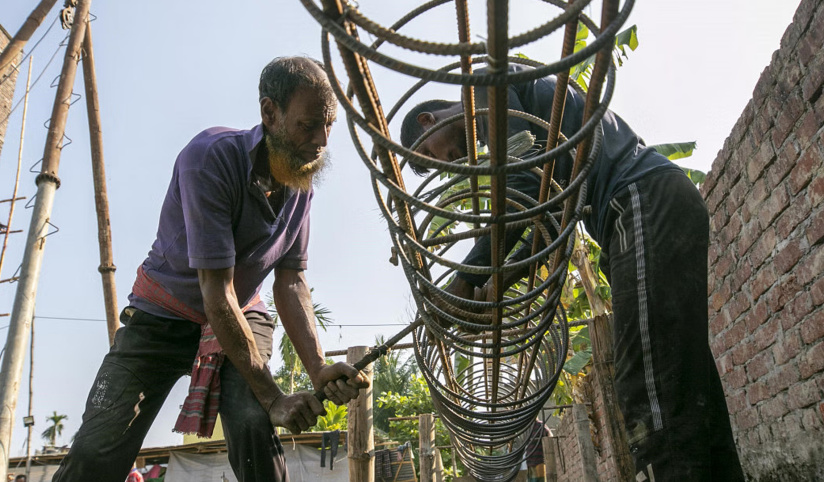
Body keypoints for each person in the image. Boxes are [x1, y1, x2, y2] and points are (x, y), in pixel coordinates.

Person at [399, 64, 744, 481]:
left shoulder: (486, 88)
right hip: (657, 203)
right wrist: (496, 284)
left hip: (639, 202)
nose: (449, 161)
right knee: (686, 381)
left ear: (427, 120)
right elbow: (552, 226)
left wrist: (465, 281)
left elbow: (524, 191)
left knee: (646, 389)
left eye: (433, 153)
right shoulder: (511, 111)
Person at [53, 56, 368, 482]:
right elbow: (215, 295)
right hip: (163, 316)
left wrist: (317, 368)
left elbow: (291, 282)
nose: (321, 140)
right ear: (270, 113)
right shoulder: (210, 158)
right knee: (97, 448)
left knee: (253, 424)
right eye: (309, 125)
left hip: (243, 308)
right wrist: (275, 398)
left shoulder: (300, 186)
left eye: (328, 125)